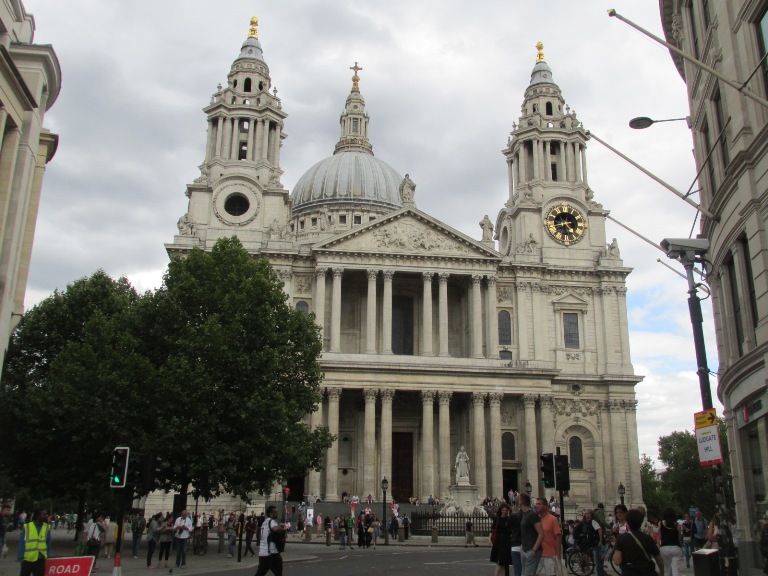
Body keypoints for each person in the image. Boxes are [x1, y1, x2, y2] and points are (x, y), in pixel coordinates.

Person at [614, 508, 664, 576]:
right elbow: (660, 561)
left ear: (627, 522)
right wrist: (662, 573)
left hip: (629, 572)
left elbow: (617, 561)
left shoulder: (621, 538)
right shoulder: (648, 539)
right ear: (641, 522)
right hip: (647, 572)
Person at [16, 509, 51, 576]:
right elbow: (22, 543)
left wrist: (48, 554)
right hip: (27, 559)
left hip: (40, 558)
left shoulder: (47, 527)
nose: (46, 516)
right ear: (37, 515)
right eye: (44, 514)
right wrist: (21, 557)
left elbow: (48, 542)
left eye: (46, 514)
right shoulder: (28, 527)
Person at [255, 505, 285, 576]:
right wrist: (284, 529)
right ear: (271, 513)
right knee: (278, 572)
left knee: (260, 573)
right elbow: (275, 529)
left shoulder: (264, 522)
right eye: (275, 512)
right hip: (271, 553)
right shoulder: (272, 521)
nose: (277, 513)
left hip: (263, 552)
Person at [519, 493, 544, 576]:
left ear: (521, 501)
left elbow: (541, 534)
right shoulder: (524, 514)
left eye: (518, 499)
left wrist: (534, 550)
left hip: (531, 551)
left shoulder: (532, 515)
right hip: (525, 550)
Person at [536, 497, 562, 576]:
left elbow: (558, 537)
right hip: (538, 554)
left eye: (539, 504)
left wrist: (558, 555)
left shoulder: (553, 519)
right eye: (536, 504)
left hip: (550, 555)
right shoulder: (535, 519)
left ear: (545, 506)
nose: (536, 506)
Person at [574, 509, 603, 576]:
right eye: (586, 513)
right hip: (590, 543)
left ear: (591, 515)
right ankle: (588, 569)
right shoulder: (585, 522)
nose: (587, 515)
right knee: (594, 559)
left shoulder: (593, 521)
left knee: (597, 562)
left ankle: (600, 574)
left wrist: (600, 540)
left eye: (588, 513)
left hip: (595, 543)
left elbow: (599, 530)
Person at [490, 504, 513, 576]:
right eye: (503, 510)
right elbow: (493, 529)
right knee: (500, 561)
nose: (504, 512)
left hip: (506, 540)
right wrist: (490, 539)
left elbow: (511, 529)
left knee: (501, 560)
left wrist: (509, 517)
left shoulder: (509, 519)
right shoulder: (497, 519)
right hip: (498, 540)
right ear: (500, 510)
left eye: (506, 510)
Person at [658, 508, 682, 576]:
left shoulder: (660, 523)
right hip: (676, 548)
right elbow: (679, 538)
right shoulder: (678, 525)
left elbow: (660, 536)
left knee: (666, 569)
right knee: (676, 568)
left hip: (664, 548)